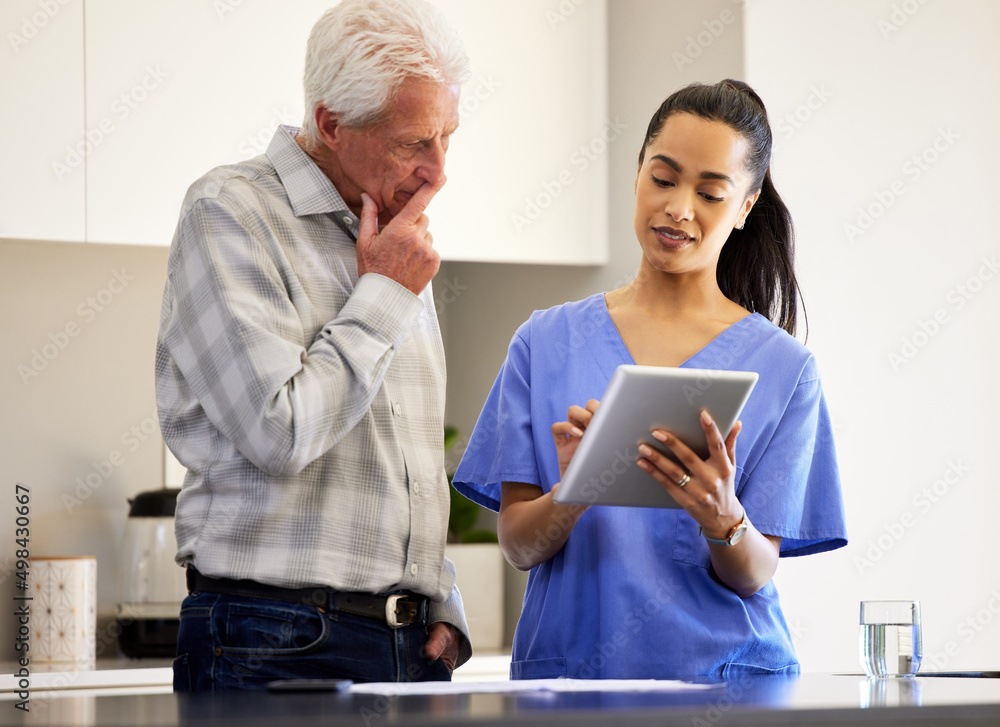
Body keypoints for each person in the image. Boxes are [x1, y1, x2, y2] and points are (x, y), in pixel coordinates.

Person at [452, 80, 848, 680]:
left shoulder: (784, 368)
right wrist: (575, 490)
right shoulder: (544, 343)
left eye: (711, 193)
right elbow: (518, 545)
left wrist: (723, 519)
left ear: (745, 208)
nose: (679, 208)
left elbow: (755, 571)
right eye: (663, 179)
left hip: (724, 682)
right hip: (573, 681)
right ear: (638, 172)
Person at [155, 0, 472, 691]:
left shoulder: (393, 238)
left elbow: (399, 452)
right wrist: (384, 295)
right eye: (415, 142)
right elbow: (280, 431)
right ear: (331, 123)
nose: (438, 171)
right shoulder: (229, 212)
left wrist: (438, 594)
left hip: (410, 647)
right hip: (275, 639)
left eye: (448, 135)